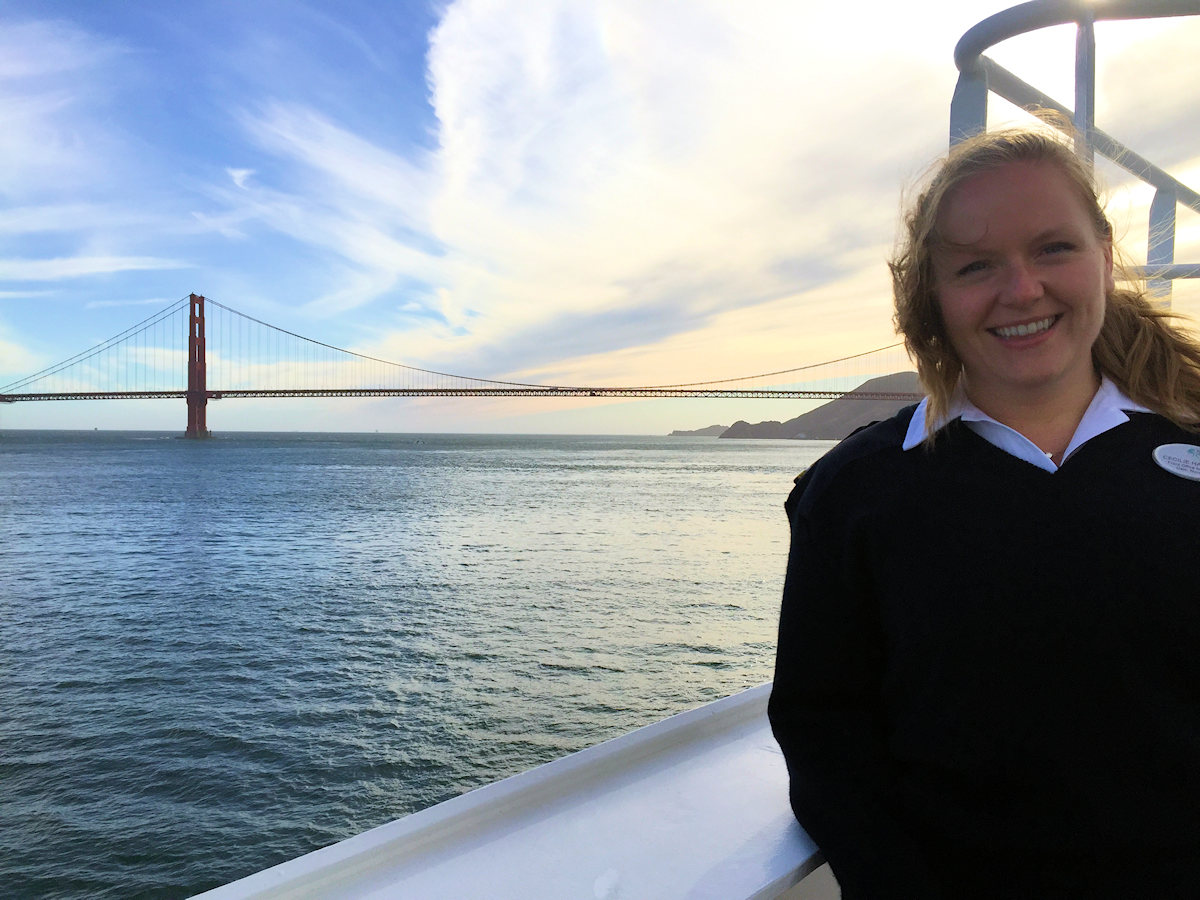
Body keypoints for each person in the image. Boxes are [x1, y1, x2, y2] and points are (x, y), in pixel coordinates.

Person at [768, 122, 1200, 899]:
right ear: (931, 293)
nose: (1022, 289)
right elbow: (824, 734)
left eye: (1053, 249)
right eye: (976, 266)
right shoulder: (855, 496)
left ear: (1104, 256)